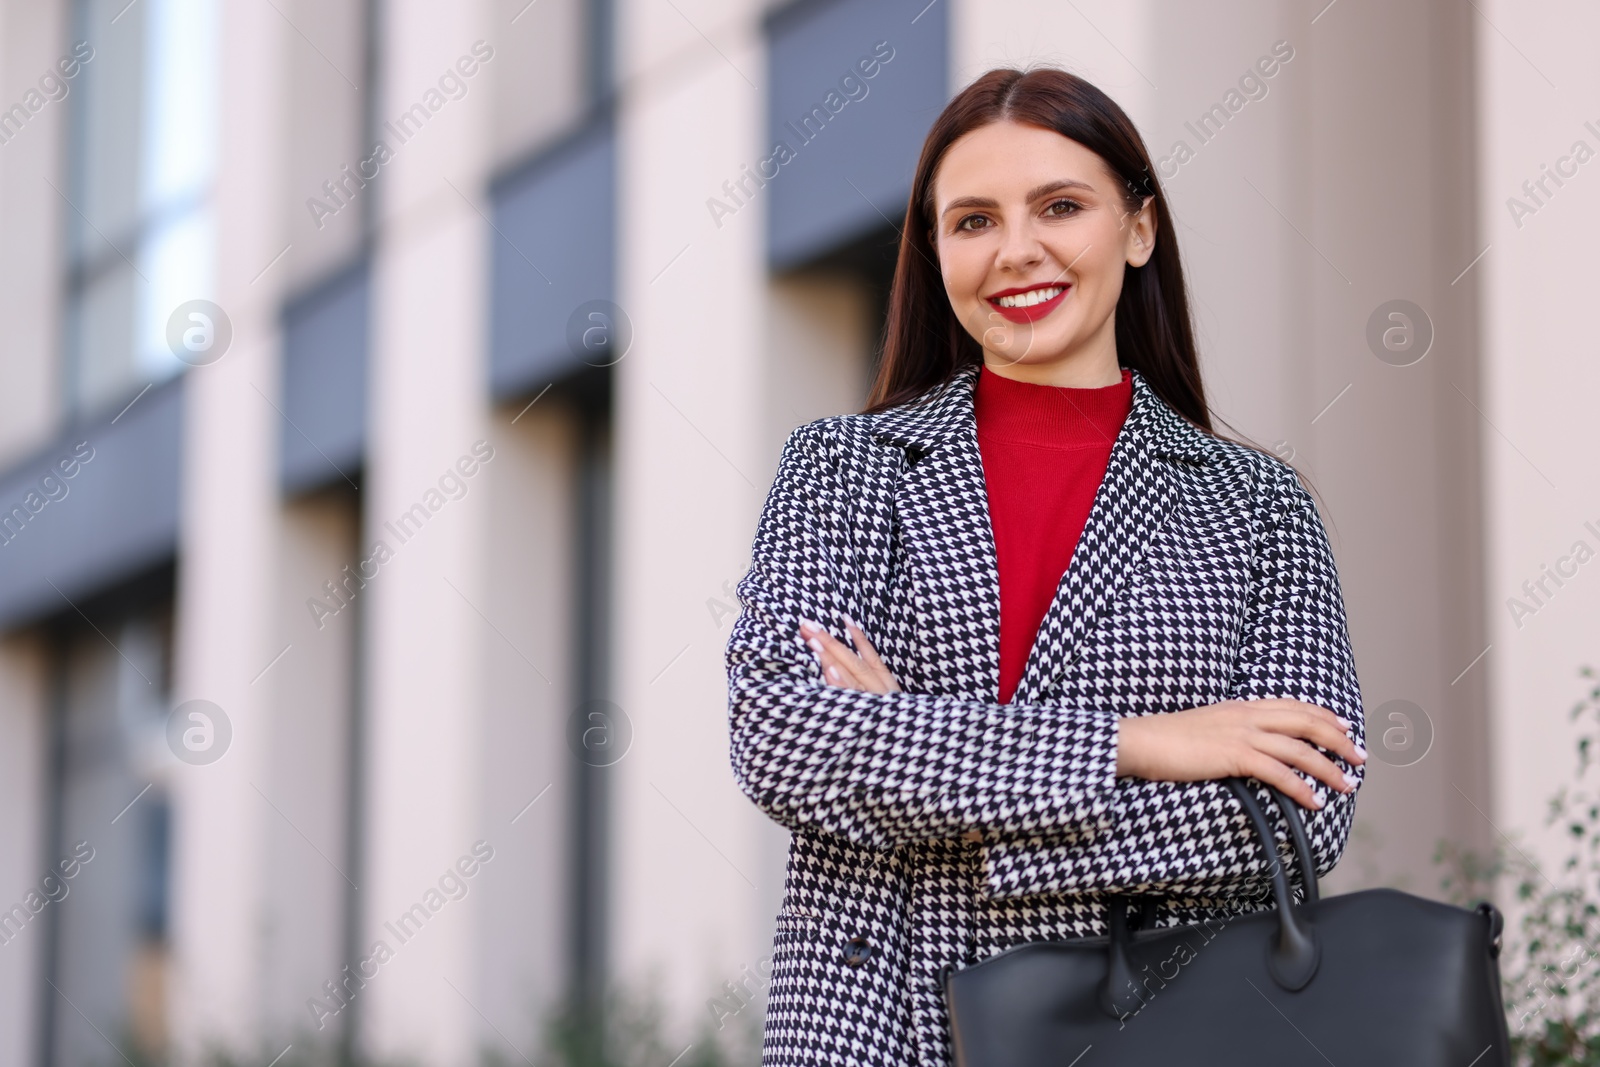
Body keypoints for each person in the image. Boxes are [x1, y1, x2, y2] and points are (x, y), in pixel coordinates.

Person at [724, 65, 1367, 1067]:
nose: (1014, 250)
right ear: (935, 249)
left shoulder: (1257, 508)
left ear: (1137, 227)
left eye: (1059, 206)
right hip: (876, 1026)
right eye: (971, 220)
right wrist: (1145, 742)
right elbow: (784, 734)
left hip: (1147, 1030)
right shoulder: (841, 470)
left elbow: (1296, 817)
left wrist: (913, 750)